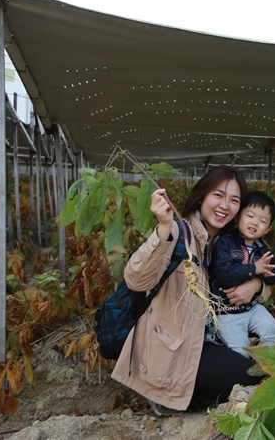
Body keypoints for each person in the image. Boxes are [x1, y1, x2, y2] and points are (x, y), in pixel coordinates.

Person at [111, 166, 265, 416]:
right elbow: (136, 279)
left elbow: (262, 276)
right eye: (218, 195)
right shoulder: (177, 232)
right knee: (247, 376)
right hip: (172, 349)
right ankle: (169, 397)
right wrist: (162, 229)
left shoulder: (226, 245)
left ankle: (189, 395)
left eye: (234, 200)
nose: (225, 205)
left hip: (202, 338)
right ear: (201, 196)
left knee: (256, 368)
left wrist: (256, 284)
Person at [210, 190, 275, 358]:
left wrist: (268, 274)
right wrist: (255, 269)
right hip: (226, 311)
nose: (255, 223)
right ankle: (245, 373)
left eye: (262, 221)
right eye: (250, 216)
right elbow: (224, 273)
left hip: (252, 308)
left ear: (267, 229)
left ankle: (270, 363)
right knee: (240, 350)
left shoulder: (261, 248)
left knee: (271, 329)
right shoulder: (225, 243)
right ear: (237, 217)